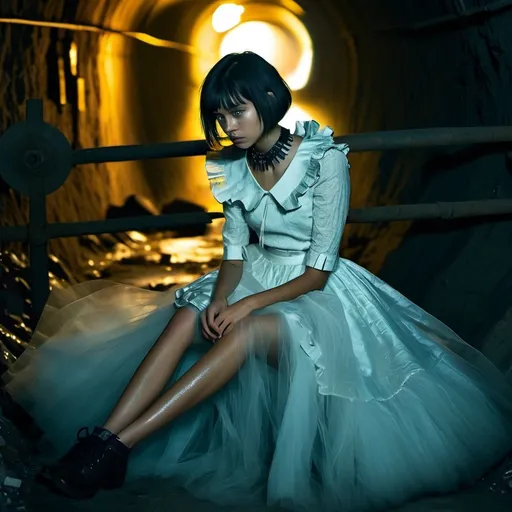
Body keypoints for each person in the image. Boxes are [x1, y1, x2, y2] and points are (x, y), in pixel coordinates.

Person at [3, 51, 512, 511]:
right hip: (254, 276)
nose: (228, 125)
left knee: (243, 332)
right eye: (220, 115)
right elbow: (234, 251)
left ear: (269, 101)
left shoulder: (324, 159)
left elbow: (319, 270)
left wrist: (244, 308)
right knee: (189, 313)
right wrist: (221, 298)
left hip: (317, 292)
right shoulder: (232, 165)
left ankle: (116, 450)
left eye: (237, 112)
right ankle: (98, 442)